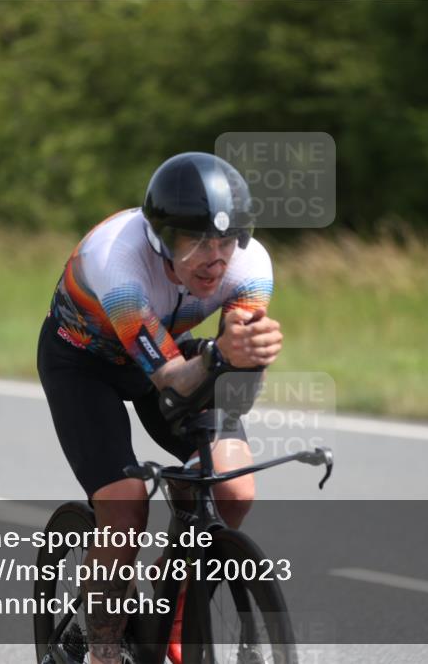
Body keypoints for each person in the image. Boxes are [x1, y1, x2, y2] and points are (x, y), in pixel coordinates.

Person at [37, 152, 283, 664]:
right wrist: (220, 355)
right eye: (193, 241)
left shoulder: (251, 265)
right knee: (126, 504)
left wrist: (247, 360)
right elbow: (171, 383)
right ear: (159, 238)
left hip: (167, 350)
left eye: (224, 240)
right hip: (84, 363)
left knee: (233, 489)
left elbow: (232, 385)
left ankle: (173, 617)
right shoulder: (118, 262)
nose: (214, 258)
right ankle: (103, 650)